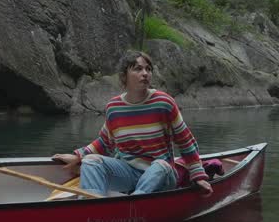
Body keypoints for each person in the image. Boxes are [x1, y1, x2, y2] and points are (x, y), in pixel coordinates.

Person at [53, 51, 212, 197]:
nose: (145, 74)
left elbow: (185, 141)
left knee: (160, 165)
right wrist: (78, 156)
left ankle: (133, 204)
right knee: (91, 161)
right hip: (129, 173)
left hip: (163, 175)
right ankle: (90, 208)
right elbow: (104, 142)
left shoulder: (164, 103)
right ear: (124, 76)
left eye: (148, 69)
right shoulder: (114, 108)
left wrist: (198, 175)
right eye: (138, 69)